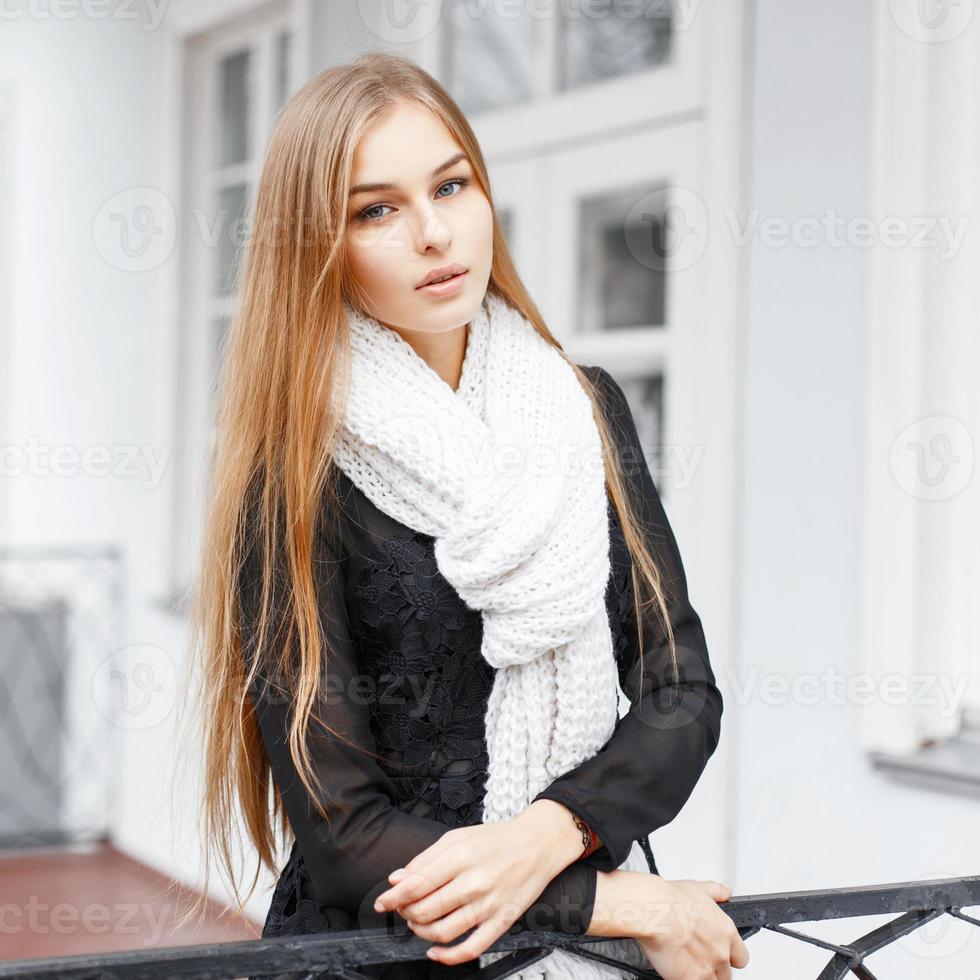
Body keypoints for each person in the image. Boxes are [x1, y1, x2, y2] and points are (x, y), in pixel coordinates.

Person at [185, 51, 750, 980]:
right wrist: (606, 900)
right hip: (383, 951)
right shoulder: (289, 471)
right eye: (376, 209)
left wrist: (547, 835)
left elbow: (679, 691)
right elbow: (342, 827)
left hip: (586, 946)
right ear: (314, 243)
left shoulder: (584, 407)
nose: (434, 232)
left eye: (451, 185)